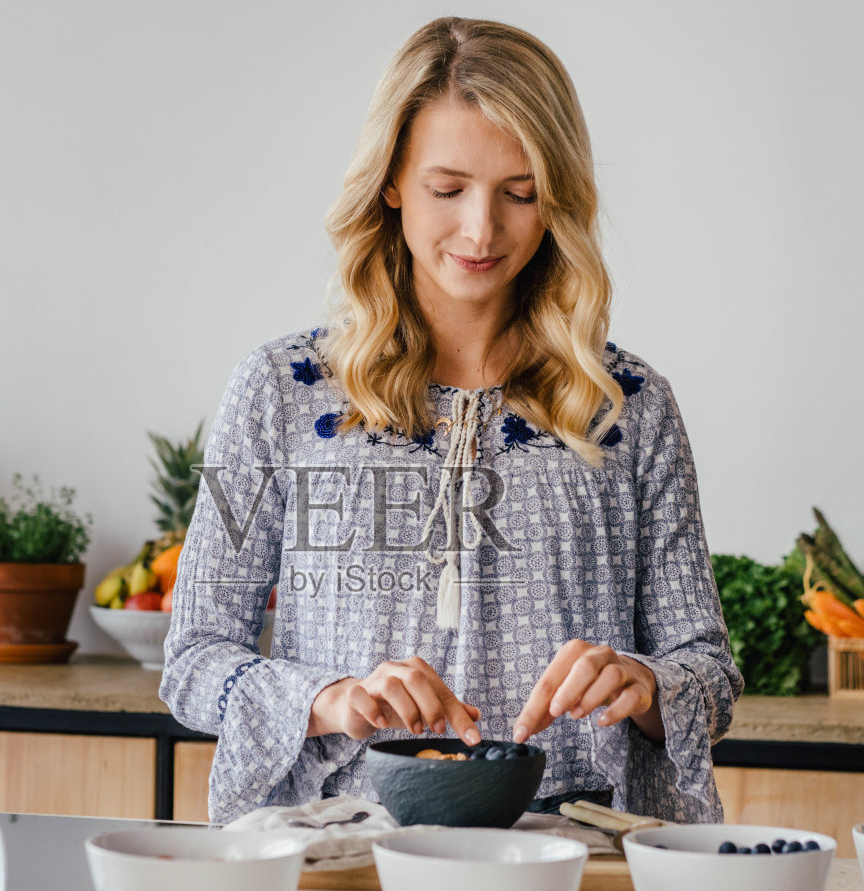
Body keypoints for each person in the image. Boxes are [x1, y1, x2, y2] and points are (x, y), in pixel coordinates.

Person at [160, 16, 741, 826]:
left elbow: (708, 670)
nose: (481, 229)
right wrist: (332, 697)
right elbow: (193, 660)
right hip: (348, 852)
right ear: (392, 177)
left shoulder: (630, 405)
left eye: (521, 192)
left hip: (579, 859)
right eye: (448, 188)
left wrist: (646, 684)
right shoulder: (277, 391)